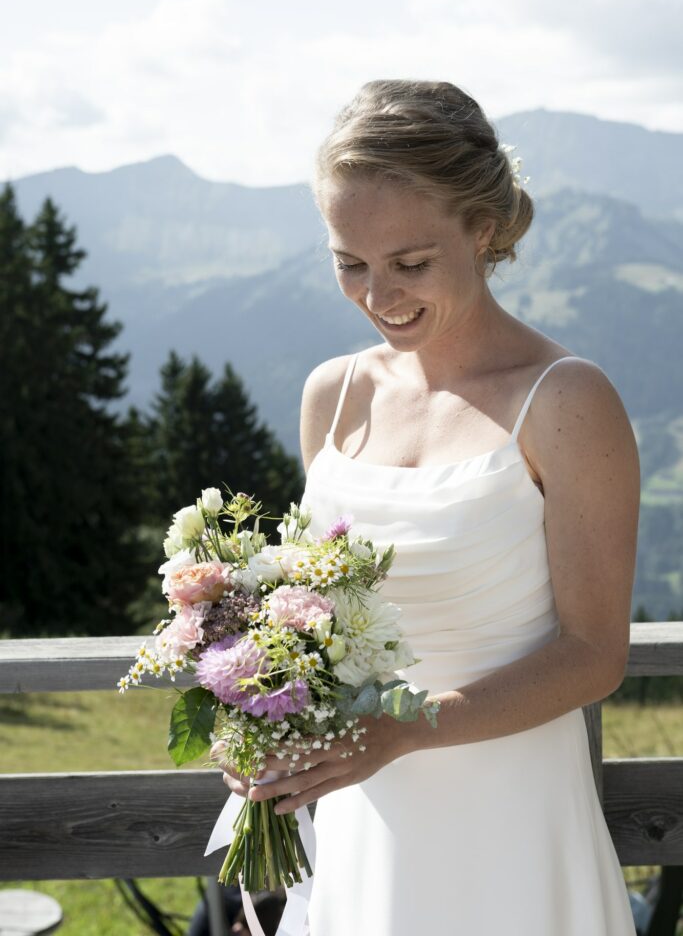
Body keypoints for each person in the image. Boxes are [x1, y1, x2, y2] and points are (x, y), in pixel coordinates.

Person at [215, 79, 640, 934]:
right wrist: (261, 709)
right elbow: (316, 619)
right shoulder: (333, 396)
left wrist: (403, 730)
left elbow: (594, 655)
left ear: (481, 229)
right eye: (349, 263)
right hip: (359, 811)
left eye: (410, 264)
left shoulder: (564, 400)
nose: (379, 296)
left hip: (510, 816)